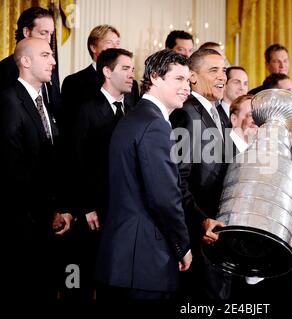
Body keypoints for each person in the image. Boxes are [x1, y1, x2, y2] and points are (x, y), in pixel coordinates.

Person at [95, 49, 192, 300]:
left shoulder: (136, 117)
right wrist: (183, 245)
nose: (187, 87)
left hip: (122, 257)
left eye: (188, 81)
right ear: (156, 78)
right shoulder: (155, 125)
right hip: (144, 261)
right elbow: (165, 198)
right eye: (179, 79)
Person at [0, 37, 72, 299]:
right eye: (45, 55)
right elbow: (14, 171)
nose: (53, 61)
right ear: (26, 61)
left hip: (47, 222)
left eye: (52, 55)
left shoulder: (47, 102)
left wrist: (63, 208)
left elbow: (55, 162)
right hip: (23, 226)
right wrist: (49, 212)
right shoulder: (8, 102)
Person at [67, 48, 135, 300]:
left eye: (133, 69)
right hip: (94, 209)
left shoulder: (132, 107)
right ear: (107, 71)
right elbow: (75, 161)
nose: (132, 75)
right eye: (125, 69)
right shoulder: (86, 109)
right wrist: (85, 207)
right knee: (84, 278)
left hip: (122, 208)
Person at [170, 48, 231, 299]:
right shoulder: (185, 114)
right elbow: (177, 180)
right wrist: (200, 220)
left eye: (224, 70)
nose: (222, 77)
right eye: (214, 70)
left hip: (220, 228)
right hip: (198, 232)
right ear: (192, 77)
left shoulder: (219, 112)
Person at [61, 25, 139, 135]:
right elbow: (70, 128)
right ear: (93, 47)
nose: (115, 47)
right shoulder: (74, 82)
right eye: (109, 42)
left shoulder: (132, 85)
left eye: (117, 43)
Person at [0, 6, 61, 122]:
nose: (48, 40)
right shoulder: (5, 69)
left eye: (51, 34)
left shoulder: (49, 66)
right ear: (27, 32)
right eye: (44, 33)